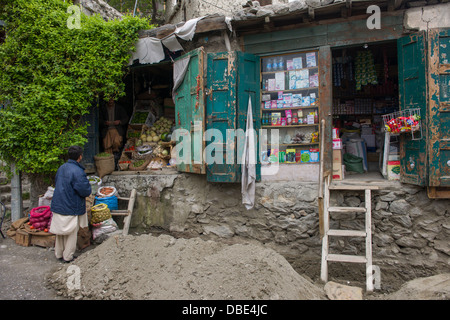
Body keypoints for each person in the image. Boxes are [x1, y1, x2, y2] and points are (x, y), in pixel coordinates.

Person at [50, 146, 92, 263]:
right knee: (71, 232)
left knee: (60, 231)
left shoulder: (61, 168)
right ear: (80, 157)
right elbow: (84, 190)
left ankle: (58, 253)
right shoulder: (78, 171)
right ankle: (68, 256)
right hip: (71, 205)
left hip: (59, 203)